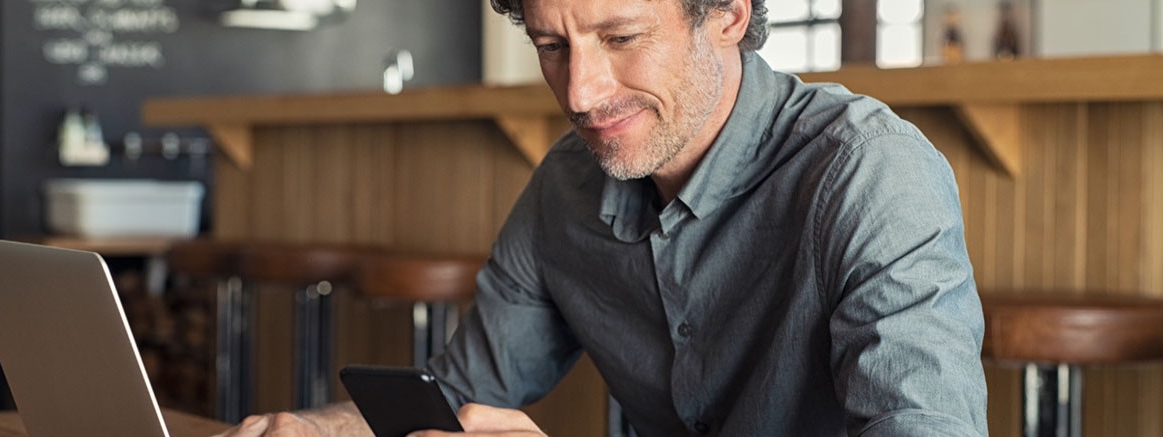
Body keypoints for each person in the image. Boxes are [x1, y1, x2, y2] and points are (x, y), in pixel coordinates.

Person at [216, 0, 988, 435]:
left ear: (725, 14)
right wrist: (327, 432)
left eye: (619, 38)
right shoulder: (567, 186)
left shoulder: (870, 174)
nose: (579, 92)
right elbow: (461, 391)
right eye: (553, 46)